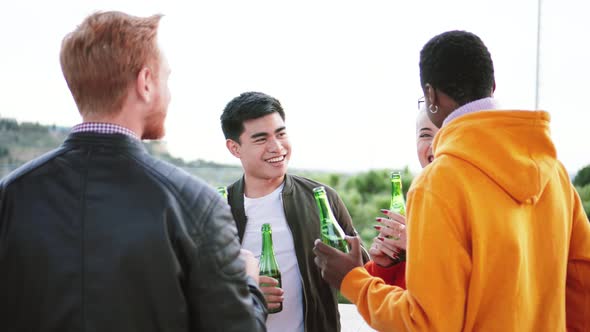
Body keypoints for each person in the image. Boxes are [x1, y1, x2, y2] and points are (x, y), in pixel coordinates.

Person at [0, 11, 267, 331]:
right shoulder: (198, 204)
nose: (169, 94)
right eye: (166, 79)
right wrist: (249, 282)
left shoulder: (10, 196)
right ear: (145, 83)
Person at [313, 30, 590, 331]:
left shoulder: (438, 183)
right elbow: (582, 289)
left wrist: (353, 279)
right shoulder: (556, 174)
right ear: (492, 86)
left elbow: (426, 323)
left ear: (431, 96)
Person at [220, 91, 368, 332]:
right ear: (234, 148)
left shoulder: (322, 199)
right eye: (260, 139)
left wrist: (386, 257)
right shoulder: (217, 210)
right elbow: (193, 292)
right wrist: (246, 297)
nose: (276, 147)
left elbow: (363, 272)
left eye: (281, 133)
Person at [365, 107, 439, 288]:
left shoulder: (476, 198)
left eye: (446, 132)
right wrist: (384, 266)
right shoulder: (420, 199)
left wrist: (416, 246)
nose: (434, 144)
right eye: (425, 135)